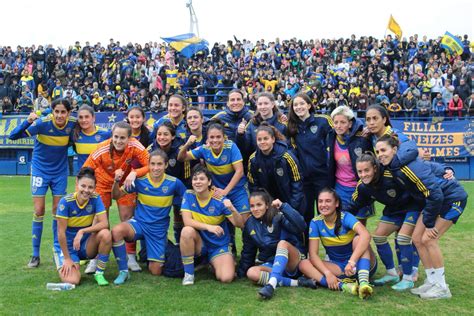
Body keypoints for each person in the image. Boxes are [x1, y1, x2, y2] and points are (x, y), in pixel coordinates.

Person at [375, 135, 468, 299]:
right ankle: (432, 281)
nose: (380, 154)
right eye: (377, 151)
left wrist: (430, 224)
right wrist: (443, 169)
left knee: (429, 239)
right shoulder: (395, 166)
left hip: (452, 198)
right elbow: (429, 166)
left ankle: (442, 287)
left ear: (395, 150)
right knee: (417, 239)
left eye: (383, 150)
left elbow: (436, 195)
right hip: (434, 201)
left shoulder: (405, 167)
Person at [9, 98, 77, 268]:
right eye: (57, 111)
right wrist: (28, 120)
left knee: (58, 211)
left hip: (60, 172)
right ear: (53, 112)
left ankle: (57, 249)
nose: (60, 115)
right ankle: (35, 254)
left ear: (69, 113)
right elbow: (13, 136)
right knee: (39, 210)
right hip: (40, 170)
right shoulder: (41, 124)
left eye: (63, 112)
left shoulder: (73, 124)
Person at [110, 150, 186, 284]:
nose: (156, 168)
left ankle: (164, 246)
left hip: (158, 229)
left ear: (166, 165)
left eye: (159, 164)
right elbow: (116, 196)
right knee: (116, 231)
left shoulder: (174, 183)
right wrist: (116, 181)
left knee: (155, 271)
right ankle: (123, 271)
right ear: (148, 165)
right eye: (153, 164)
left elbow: (188, 198)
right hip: (139, 224)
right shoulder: (139, 181)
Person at [83, 121, 149, 272]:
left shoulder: (135, 146)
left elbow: (149, 164)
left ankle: (130, 256)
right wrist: (85, 191)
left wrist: (134, 173)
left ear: (129, 138)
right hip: (102, 184)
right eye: (116, 137)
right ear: (111, 136)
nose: (118, 141)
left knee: (127, 219)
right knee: (100, 221)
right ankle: (95, 258)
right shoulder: (102, 148)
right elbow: (86, 170)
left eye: (122, 138)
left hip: (125, 182)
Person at [352, 152, 423, 291]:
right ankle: (392, 273)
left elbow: (415, 183)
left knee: (402, 238)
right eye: (359, 171)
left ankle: (408, 278)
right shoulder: (362, 186)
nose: (363, 174)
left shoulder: (392, 174)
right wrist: (340, 214)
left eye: (366, 170)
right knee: (378, 237)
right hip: (393, 210)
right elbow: (355, 203)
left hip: (412, 207)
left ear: (375, 168)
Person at [299, 188, 376, 299]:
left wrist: (352, 262)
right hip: (339, 267)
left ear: (336, 203)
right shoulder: (315, 222)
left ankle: (364, 283)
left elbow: (366, 235)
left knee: (359, 239)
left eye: (328, 201)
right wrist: (327, 273)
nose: (323, 204)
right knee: (304, 264)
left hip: (360, 264)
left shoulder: (346, 217)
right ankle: (345, 286)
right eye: (320, 201)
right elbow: (313, 254)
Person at [237, 190, 314, 299]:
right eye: (252, 206)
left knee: (282, 244)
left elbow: (301, 226)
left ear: (267, 205)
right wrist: (241, 272)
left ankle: (271, 285)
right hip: (272, 263)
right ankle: (298, 283)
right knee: (252, 273)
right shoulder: (250, 224)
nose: (255, 209)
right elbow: (248, 251)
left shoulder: (278, 216)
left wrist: (284, 207)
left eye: (259, 205)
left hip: (292, 260)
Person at [179, 165, 245, 285]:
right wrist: (209, 227)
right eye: (195, 179)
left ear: (209, 182)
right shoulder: (188, 195)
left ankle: (214, 263)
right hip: (200, 245)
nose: (198, 182)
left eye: (202, 179)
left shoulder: (219, 199)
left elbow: (239, 224)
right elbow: (187, 221)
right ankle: (189, 274)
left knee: (226, 278)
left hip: (218, 246)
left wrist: (232, 208)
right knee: (186, 231)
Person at [177, 121, 251, 217]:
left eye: (218, 137)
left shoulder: (231, 147)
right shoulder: (204, 149)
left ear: (224, 137)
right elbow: (181, 158)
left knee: (245, 222)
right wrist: (187, 144)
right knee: (222, 223)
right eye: (211, 137)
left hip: (237, 190)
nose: (215, 140)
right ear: (207, 139)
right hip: (216, 191)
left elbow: (239, 171)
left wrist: (225, 191)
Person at [55, 167, 112, 286]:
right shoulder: (65, 202)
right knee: (73, 280)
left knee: (106, 234)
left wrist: (82, 231)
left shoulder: (96, 199)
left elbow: (104, 223)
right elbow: (60, 233)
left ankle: (99, 273)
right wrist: (67, 258)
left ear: (94, 188)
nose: (86, 190)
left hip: (86, 246)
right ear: (77, 183)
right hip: (69, 248)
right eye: (83, 186)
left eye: (90, 187)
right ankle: (64, 259)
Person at [287, 93, 333, 224]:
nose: (298, 107)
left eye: (302, 103)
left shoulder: (323, 121)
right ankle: (307, 244)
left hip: (322, 176)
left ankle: (330, 244)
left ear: (308, 105)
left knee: (325, 213)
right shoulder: (291, 127)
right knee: (306, 216)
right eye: (295, 105)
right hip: (304, 180)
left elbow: (340, 134)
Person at [327, 106, 373, 224]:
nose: (338, 125)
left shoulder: (362, 138)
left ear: (350, 123)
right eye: (335, 122)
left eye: (342, 122)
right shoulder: (330, 137)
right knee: (343, 228)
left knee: (359, 230)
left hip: (359, 188)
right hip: (340, 189)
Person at [248, 123, 305, 215]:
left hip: (290, 203)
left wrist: (291, 207)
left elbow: (297, 182)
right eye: (259, 139)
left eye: (266, 138)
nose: (262, 142)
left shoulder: (287, 157)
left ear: (273, 139)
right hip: (268, 206)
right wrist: (261, 205)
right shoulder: (253, 160)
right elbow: (253, 185)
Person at [148, 122, 190, 244]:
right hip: (158, 188)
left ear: (172, 136)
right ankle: (155, 244)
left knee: (179, 214)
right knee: (158, 216)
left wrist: (186, 194)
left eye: (166, 134)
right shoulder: (151, 149)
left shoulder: (180, 149)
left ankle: (178, 243)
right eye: (159, 134)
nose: (162, 137)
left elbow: (187, 174)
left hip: (179, 187)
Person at [236, 92, 287, 159]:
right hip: (258, 164)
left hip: (279, 164)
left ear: (272, 104)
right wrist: (240, 135)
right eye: (260, 104)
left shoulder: (282, 122)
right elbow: (245, 147)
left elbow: (288, 146)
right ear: (257, 105)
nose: (263, 107)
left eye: (266, 103)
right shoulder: (252, 123)